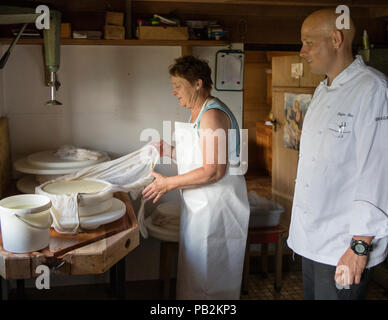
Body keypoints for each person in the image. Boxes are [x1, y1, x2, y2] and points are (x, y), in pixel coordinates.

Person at [287, 8, 388, 300]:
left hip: (344, 245)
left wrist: (359, 246)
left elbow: (378, 171)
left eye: (308, 42)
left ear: (336, 38)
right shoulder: (322, 91)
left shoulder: (373, 90)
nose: (301, 51)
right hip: (313, 240)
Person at [142, 55, 250, 299]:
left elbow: (213, 170)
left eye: (178, 85)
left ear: (198, 83)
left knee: (212, 278)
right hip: (201, 206)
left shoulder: (212, 115)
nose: (174, 91)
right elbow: (200, 157)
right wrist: (169, 151)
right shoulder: (197, 112)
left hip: (218, 208)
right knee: (198, 273)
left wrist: (167, 183)